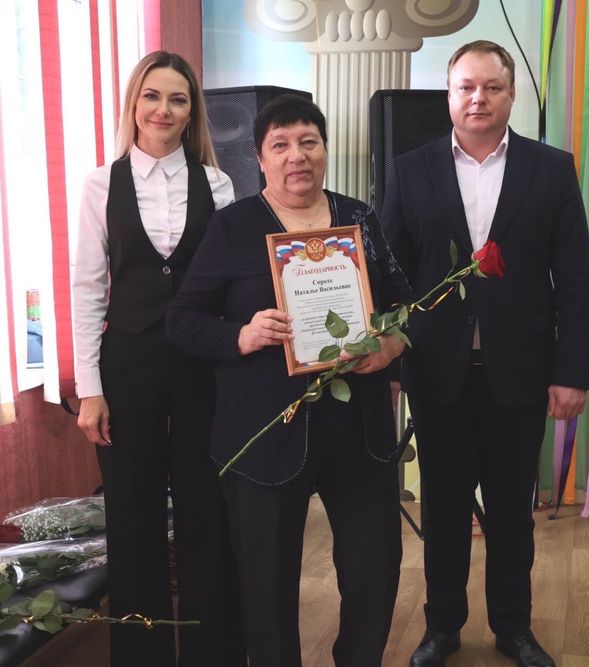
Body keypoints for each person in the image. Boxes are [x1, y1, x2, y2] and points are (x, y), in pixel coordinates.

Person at [165, 94, 411, 667]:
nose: (296, 156)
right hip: (265, 429)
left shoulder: (359, 218)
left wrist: (391, 344)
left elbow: (404, 301)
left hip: (358, 428)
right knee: (267, 579)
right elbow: (182, 320)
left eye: (308, 142)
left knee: (373, 566)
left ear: (324, 150)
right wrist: (242, 335)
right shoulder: (233, 226)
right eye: (280, 145)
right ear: (260, 159)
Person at [381, 41, 589, 667]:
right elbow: (389, 273)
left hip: (520, 374)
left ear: (511, 94)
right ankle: (442, 628)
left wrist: (570, 372)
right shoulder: (409, 169)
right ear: (449, 95)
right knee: (444, 511)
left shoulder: (551, 169)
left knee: (510, 516)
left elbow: (573, 281)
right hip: (436, 372)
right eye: (466, 87)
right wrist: (388, 361)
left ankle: (514, 628)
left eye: (492, 87)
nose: (478, 98)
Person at [71, 51, 245, 667]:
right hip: (127, 368)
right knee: (132, 518)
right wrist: (90, 388)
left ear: (192, 111)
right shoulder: (100, 184)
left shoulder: (218, 185)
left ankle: (212, 653)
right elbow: (88, 289)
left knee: (207, 511)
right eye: (152, 96)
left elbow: (230, 285)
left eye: (177, 99)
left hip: (203, 367)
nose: (163, 110)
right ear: (134, 103)